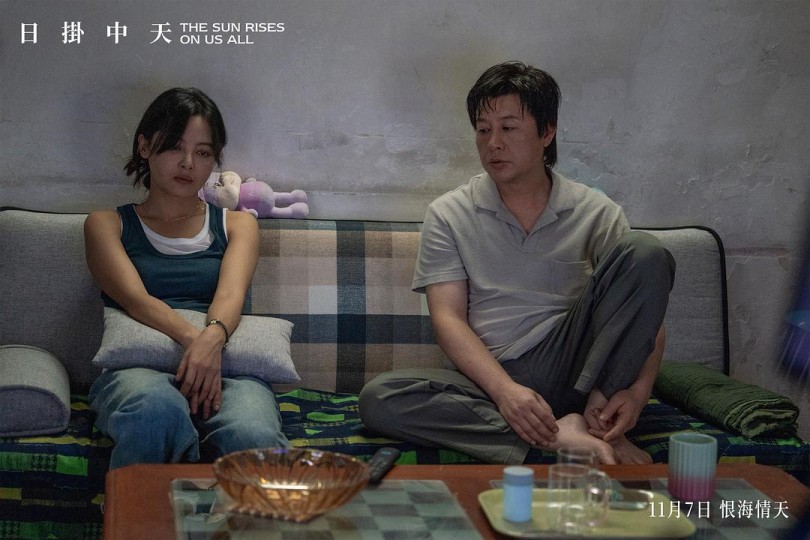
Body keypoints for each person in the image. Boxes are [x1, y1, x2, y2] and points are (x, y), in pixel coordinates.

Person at [359, 62, 675, 465]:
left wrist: (636, 394)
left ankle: (599, 421)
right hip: (490, 377)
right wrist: (505, 393)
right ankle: (560, 436)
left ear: (547, 132)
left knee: (645, 252)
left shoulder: (595, 211)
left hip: (577, 368)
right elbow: (448, 320)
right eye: (483, 129)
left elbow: (645, 317)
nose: (493, 143)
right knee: (380, 398)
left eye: (508, 128)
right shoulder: (449, 213)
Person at [84, 87, 288, 469]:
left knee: (252, 433)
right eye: (175, 147)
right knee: (155, 413)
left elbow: (231, 294)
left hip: (227, 369)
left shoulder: (238, 225)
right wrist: (199, 345)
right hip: (137, 370)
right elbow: (135, 300)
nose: (188, 163)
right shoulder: (106, 225)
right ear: (145, 146)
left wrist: (213, 340)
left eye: (204, 153)